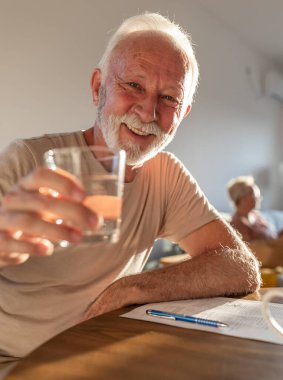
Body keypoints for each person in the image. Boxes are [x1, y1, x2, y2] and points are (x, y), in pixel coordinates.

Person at [0, 13, 260, 366]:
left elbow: (240, 268)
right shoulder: (29, 160)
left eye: (168, 98)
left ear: (182, 114)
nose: (148, 111)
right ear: (98, 88)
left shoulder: (165, 175)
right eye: (134, 86)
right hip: (15, 361)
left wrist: (132, 288)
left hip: (104, 356)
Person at [227, 175, 278, 242]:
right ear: (242, 198)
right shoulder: (237, 223)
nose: (258, 198)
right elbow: (250, 248)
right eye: (254, 194)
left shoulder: (256, 215)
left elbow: (273, 237)